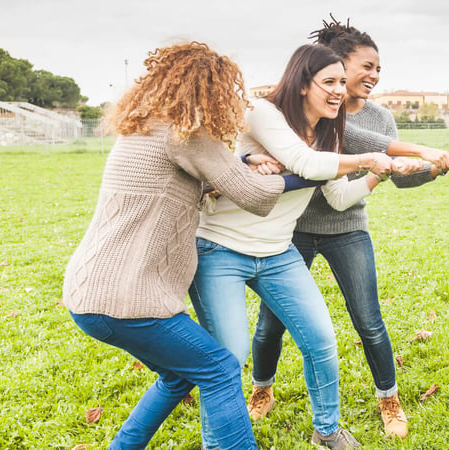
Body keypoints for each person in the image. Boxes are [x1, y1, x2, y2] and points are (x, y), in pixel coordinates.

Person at [246, 18, 449, 439]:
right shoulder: (317, 113)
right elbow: (362, 145)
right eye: (367, 66)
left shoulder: (380, 118)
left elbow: (396, 173)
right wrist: (411, 151)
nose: (374, 76)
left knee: (369, 320)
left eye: (379, 69)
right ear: (332, 68)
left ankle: (388, 398)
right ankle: (261, 389)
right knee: (272, 323)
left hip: (347, 226)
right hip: (295, 229)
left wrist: (438, 168)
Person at [61, 42, 289, 449]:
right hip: (129, 301)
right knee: (219, 368)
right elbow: (254, 197)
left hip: (87, 294)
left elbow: (182, 178)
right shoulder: (188, 136)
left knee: (178, 373)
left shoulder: (144, 127)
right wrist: (290, 172)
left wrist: (242, 163)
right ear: (208, 91)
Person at [189, 44, 396, 450]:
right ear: (303, 84)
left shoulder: (328, 130)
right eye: (330, 82)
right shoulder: (265, 113)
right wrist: (370, 158)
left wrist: (378, 175)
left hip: (277, 251)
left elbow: (336, 196)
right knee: (227, 359)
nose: (340, 90)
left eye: (342, 82)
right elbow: (307, 165)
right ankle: (219, 442)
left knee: (320, 341)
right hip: (221, 249)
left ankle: (327, 431)